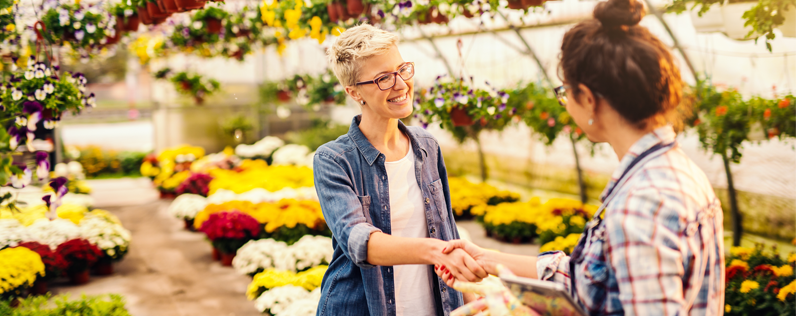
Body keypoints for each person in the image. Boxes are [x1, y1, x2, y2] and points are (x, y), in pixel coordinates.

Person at [435, 0, 725, 315]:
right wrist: (488, 259)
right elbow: (595, 279)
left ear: (587, 98)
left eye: (565, 93)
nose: (565, 104)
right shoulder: (673, 171)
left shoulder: (642, 203)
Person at [313, 24, 487, 316]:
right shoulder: (333, 159)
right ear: (354, 92)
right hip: (360, 308)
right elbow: (360, 242)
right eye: (383, 78)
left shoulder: (426, 146)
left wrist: (472, 301)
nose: (400, 84)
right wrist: (434, 250)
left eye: (402, 69)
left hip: (434, 306)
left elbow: (447, 230)